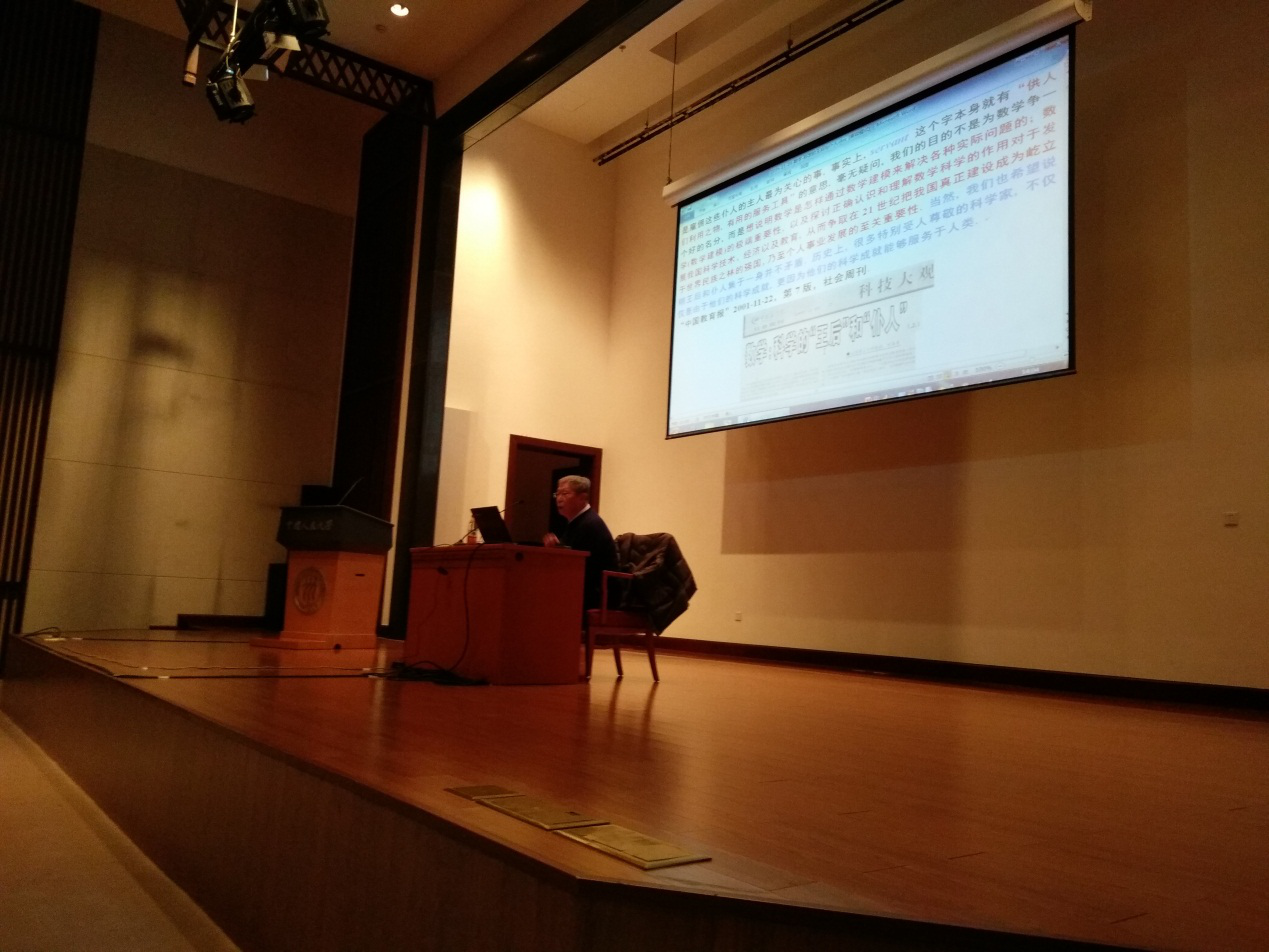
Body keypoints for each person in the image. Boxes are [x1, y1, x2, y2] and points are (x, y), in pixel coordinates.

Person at [543, 475, 616, 613]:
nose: (559, 498)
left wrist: (558, 551)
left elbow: (580, 565)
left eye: (565, 493)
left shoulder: (590, 524)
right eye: (557, 494)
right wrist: (557, 549)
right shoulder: (577, 522)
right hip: (584, 586)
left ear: (582, 497)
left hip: (599, 594)